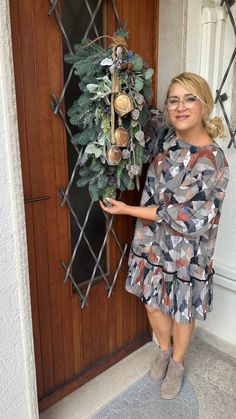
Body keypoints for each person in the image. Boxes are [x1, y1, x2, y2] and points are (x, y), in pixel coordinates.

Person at [100, 72, 229, 400]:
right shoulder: (165, 139)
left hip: (188, 250)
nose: (180, 106)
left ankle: (177, 362)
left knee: (181, 310)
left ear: (204, 106)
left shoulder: (212, 160)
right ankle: (162, 349)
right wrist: (119, 77)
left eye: (189, 99)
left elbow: (180, 216)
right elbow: (134, 121)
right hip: (151, 243)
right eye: (173, 99)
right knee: (153, 304)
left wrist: (126, 211)